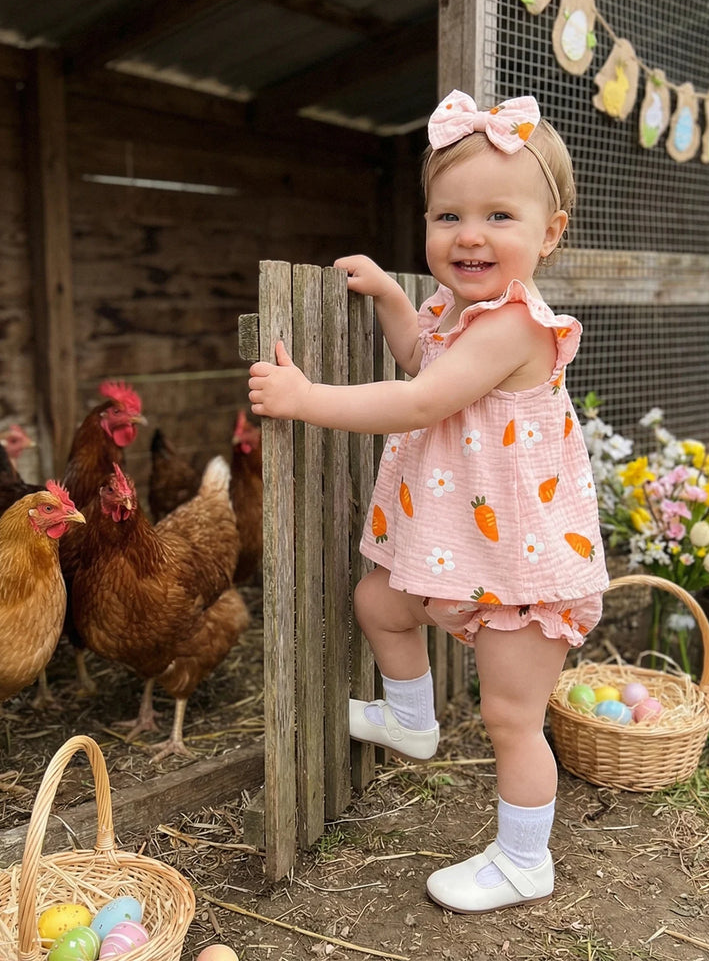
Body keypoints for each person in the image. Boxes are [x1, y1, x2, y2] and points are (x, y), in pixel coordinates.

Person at [247, 90, 608, 914]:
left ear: (549, 234)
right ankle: (411, 721)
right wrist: (391, 298)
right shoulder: (463, 310)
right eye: (449, 216)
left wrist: (306, 399)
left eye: (498, 216)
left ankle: (524, 860)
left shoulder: (515, 326)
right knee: (379, 602)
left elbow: (419, 401)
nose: (468, 235)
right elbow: (422, 357)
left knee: (512, 717)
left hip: (523, 565)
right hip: (468, 548)